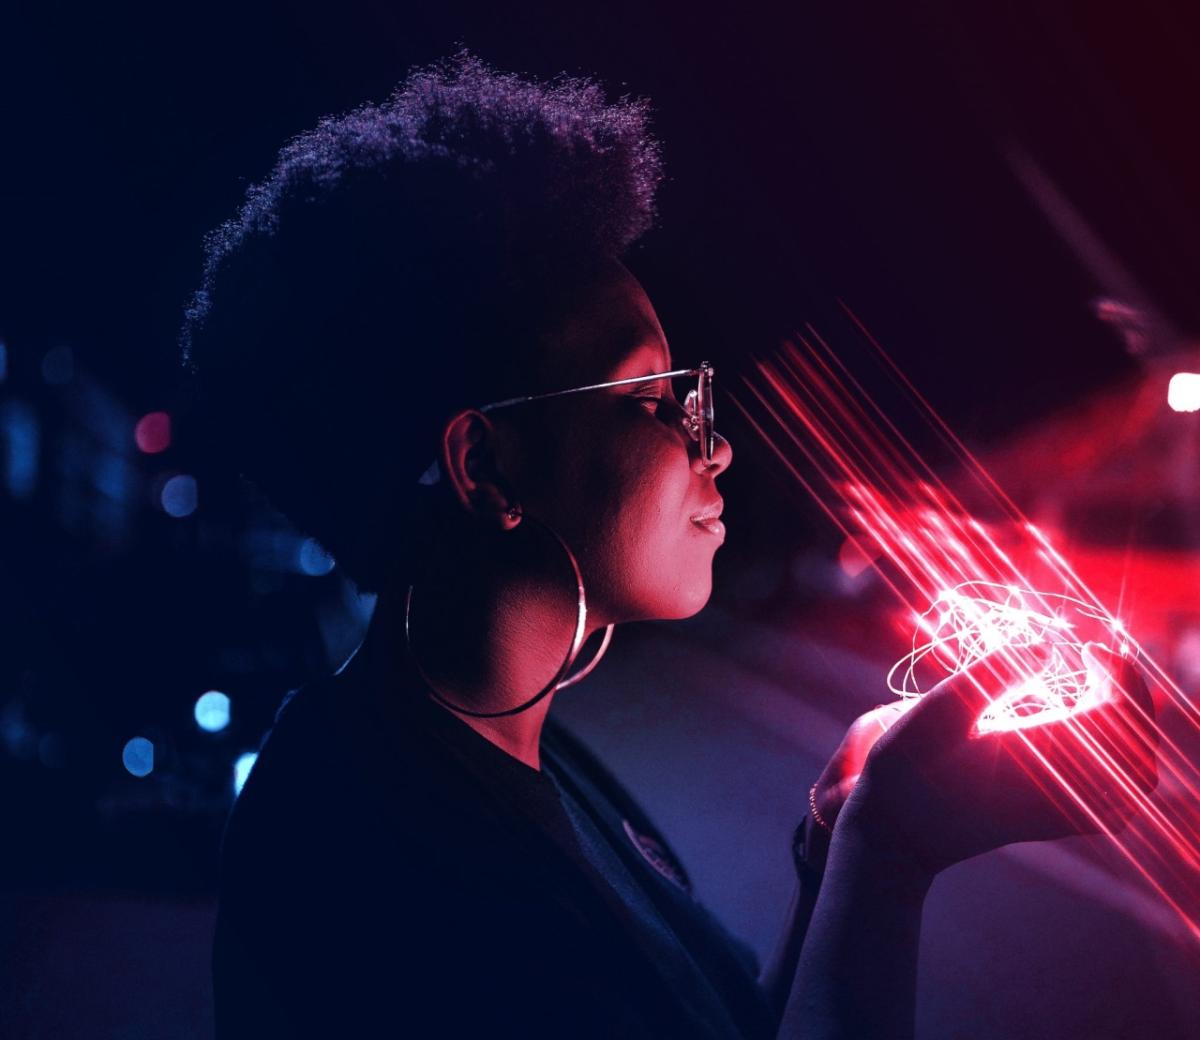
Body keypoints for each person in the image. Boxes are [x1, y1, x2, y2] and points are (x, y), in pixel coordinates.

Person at [181, 54, 1157, 1039]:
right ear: (486, 464)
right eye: (652, 400)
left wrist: (830, 852)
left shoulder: (518, 752)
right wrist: (890, 848)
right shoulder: (365, 862)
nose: (714, 443)